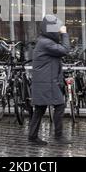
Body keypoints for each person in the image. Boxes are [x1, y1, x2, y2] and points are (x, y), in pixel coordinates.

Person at [28, 14, 71, 145]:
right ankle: (58, 136)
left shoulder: (45, 41)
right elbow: (65, 50)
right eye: (56, 29)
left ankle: (32, 137)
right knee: (59, 105)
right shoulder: (46, 43)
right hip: (46, 83)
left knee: (40, 110)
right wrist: (64, 34)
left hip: (46, 82)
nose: (58, 30)